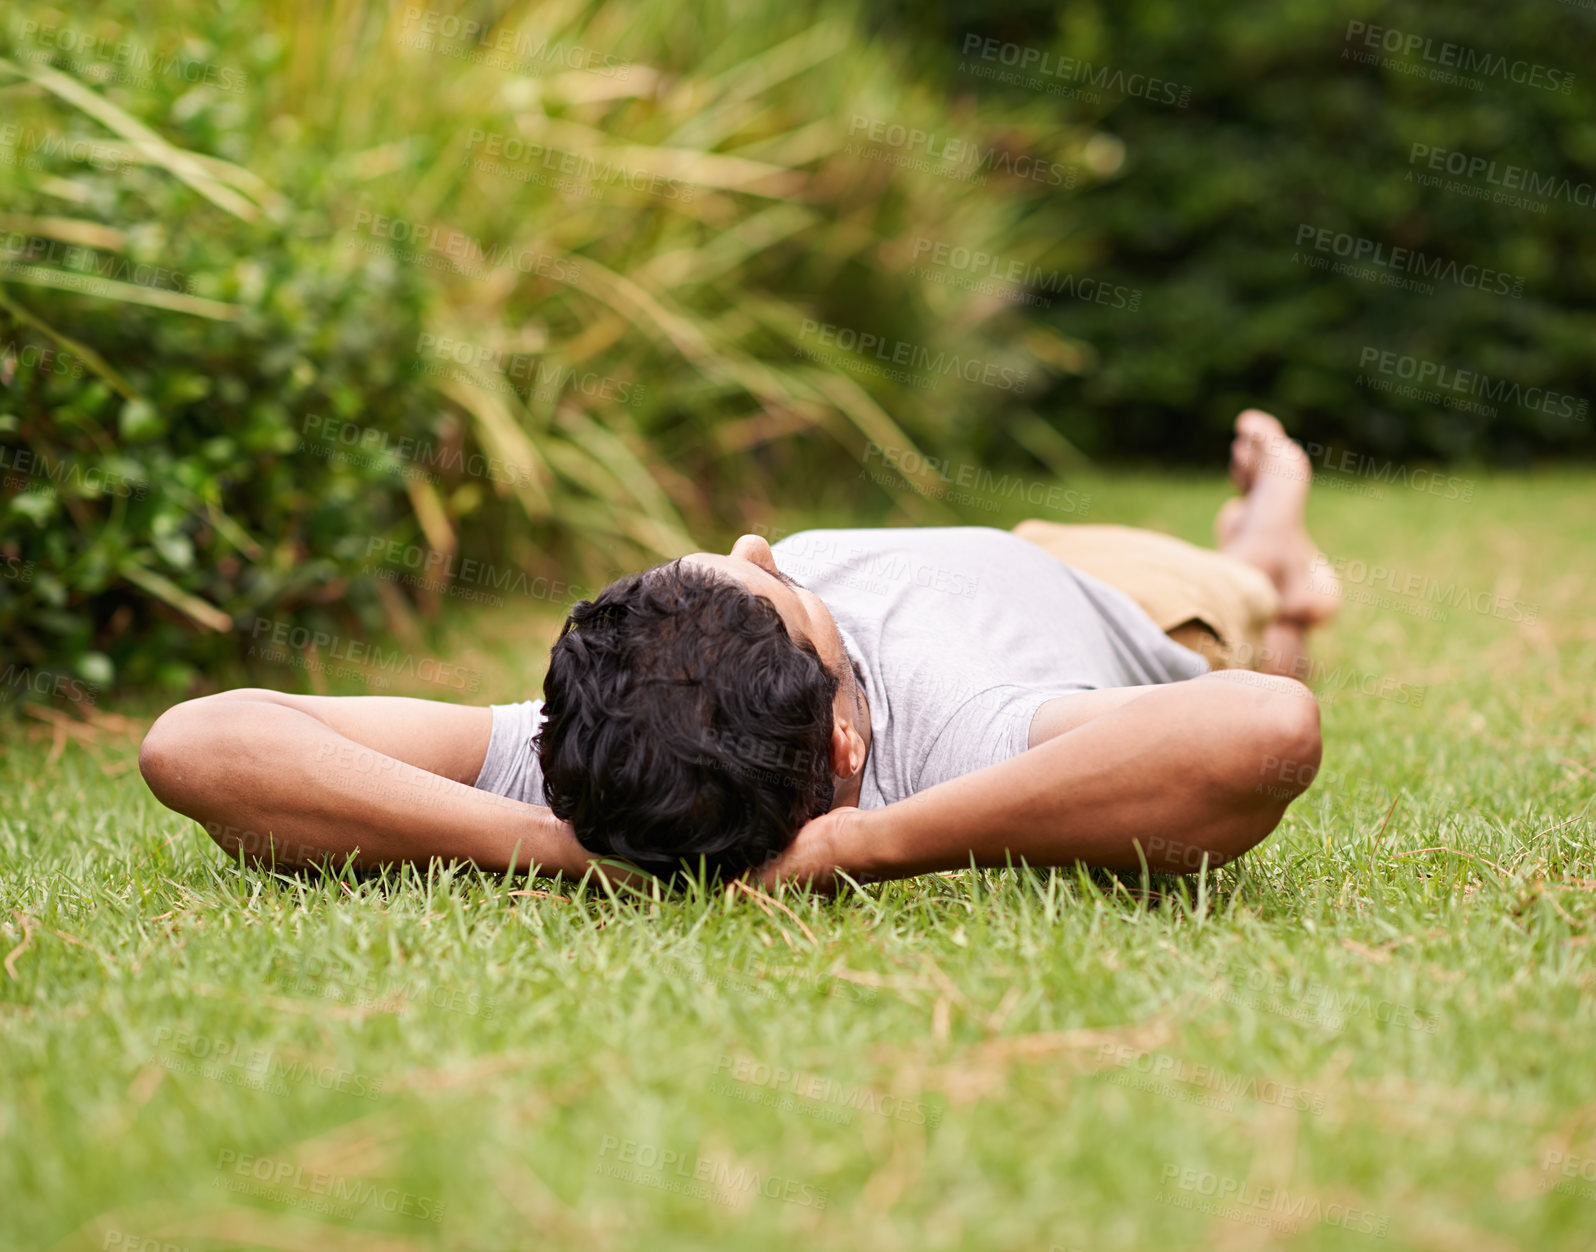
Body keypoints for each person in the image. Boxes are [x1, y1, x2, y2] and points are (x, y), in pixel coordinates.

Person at [139, 411, 1337, 889]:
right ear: (848, 738)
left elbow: (198, 740)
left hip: (984, 562)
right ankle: (1271, 540)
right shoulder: (969, 736)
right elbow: (1261, 731)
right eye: (782, 586)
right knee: (1260, 624)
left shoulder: (616, 745)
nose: (764, 542)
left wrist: (550, 843)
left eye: (741, 562)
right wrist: (876, 842)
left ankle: (1272, 540)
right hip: (1109, 591)